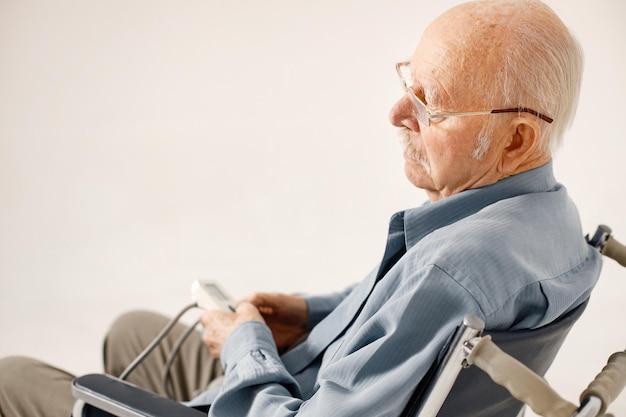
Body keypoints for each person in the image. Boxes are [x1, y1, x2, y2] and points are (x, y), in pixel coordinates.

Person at [0, 0, 603, 416]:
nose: (397, 113)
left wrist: (247, 346)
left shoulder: (451, 272)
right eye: (407, 83)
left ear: (517, 138)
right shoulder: (548, 220)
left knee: (13, 379)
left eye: (430, 103)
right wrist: (306, 316)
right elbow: (398, 315)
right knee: (130, 327)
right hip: (323, 386)